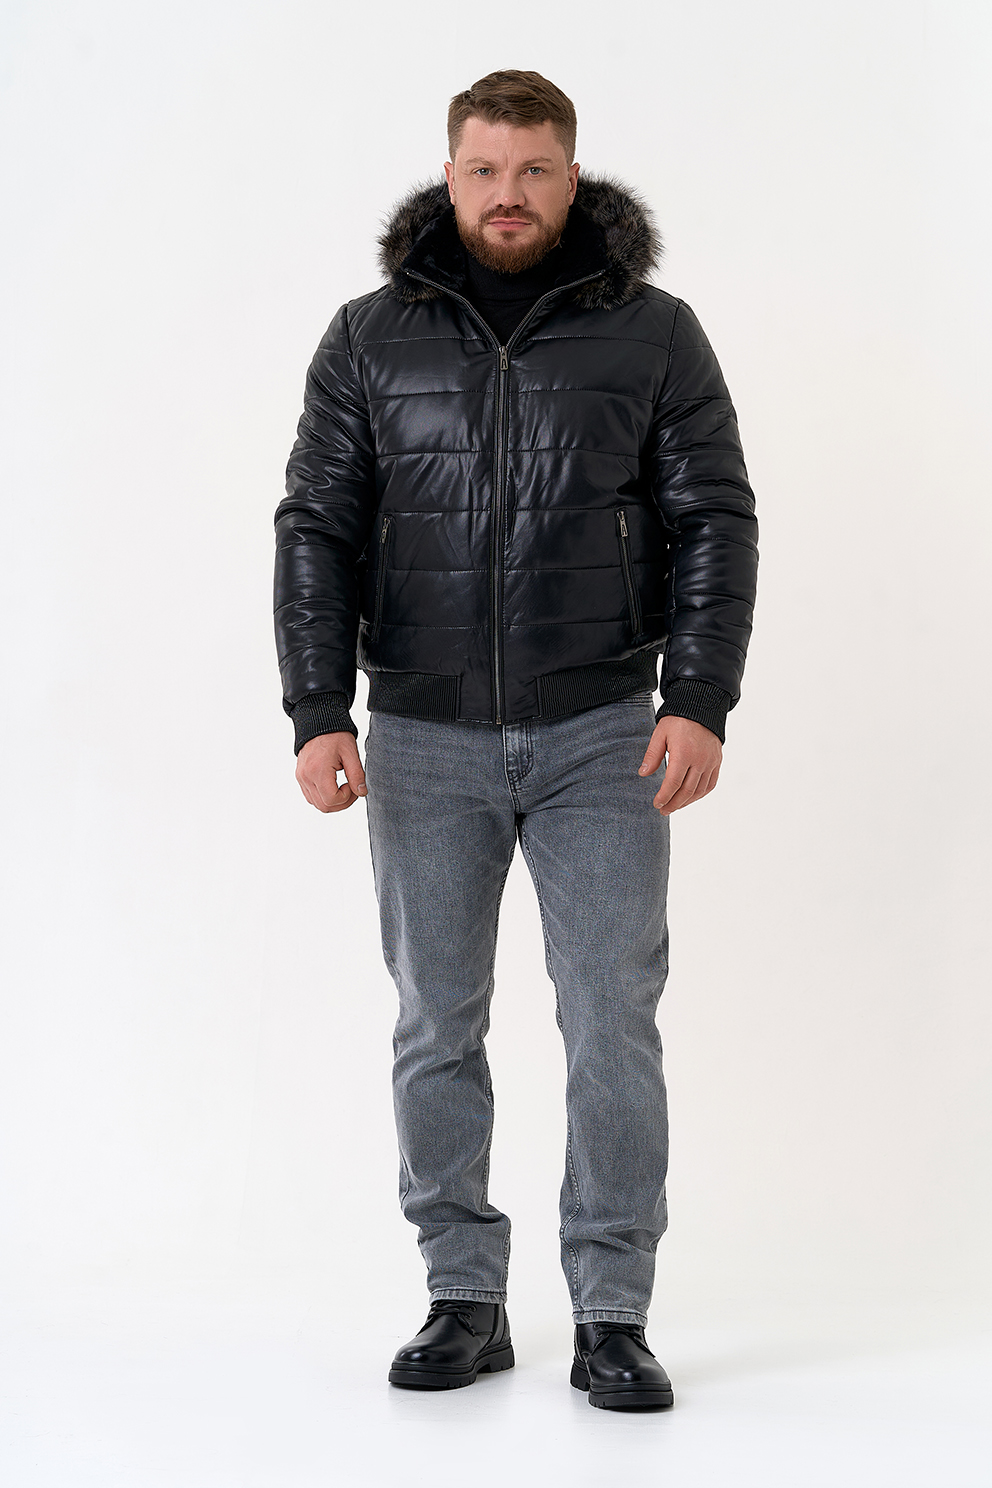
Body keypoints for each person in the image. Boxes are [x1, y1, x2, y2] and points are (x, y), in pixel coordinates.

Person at [273, 69, 757, 1411]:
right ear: (449, 178)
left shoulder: (653, 331)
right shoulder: (369, 337)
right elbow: (316, 525)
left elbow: (715, 517)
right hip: (420, 734)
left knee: (612, 1020)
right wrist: (317, 709)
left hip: (604, 730)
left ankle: (612, 1311)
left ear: (570, 176)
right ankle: (463, 1296)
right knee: (437, 1021)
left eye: (533, 170)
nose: (507, 194)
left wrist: (699, 698)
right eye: (484, 170)